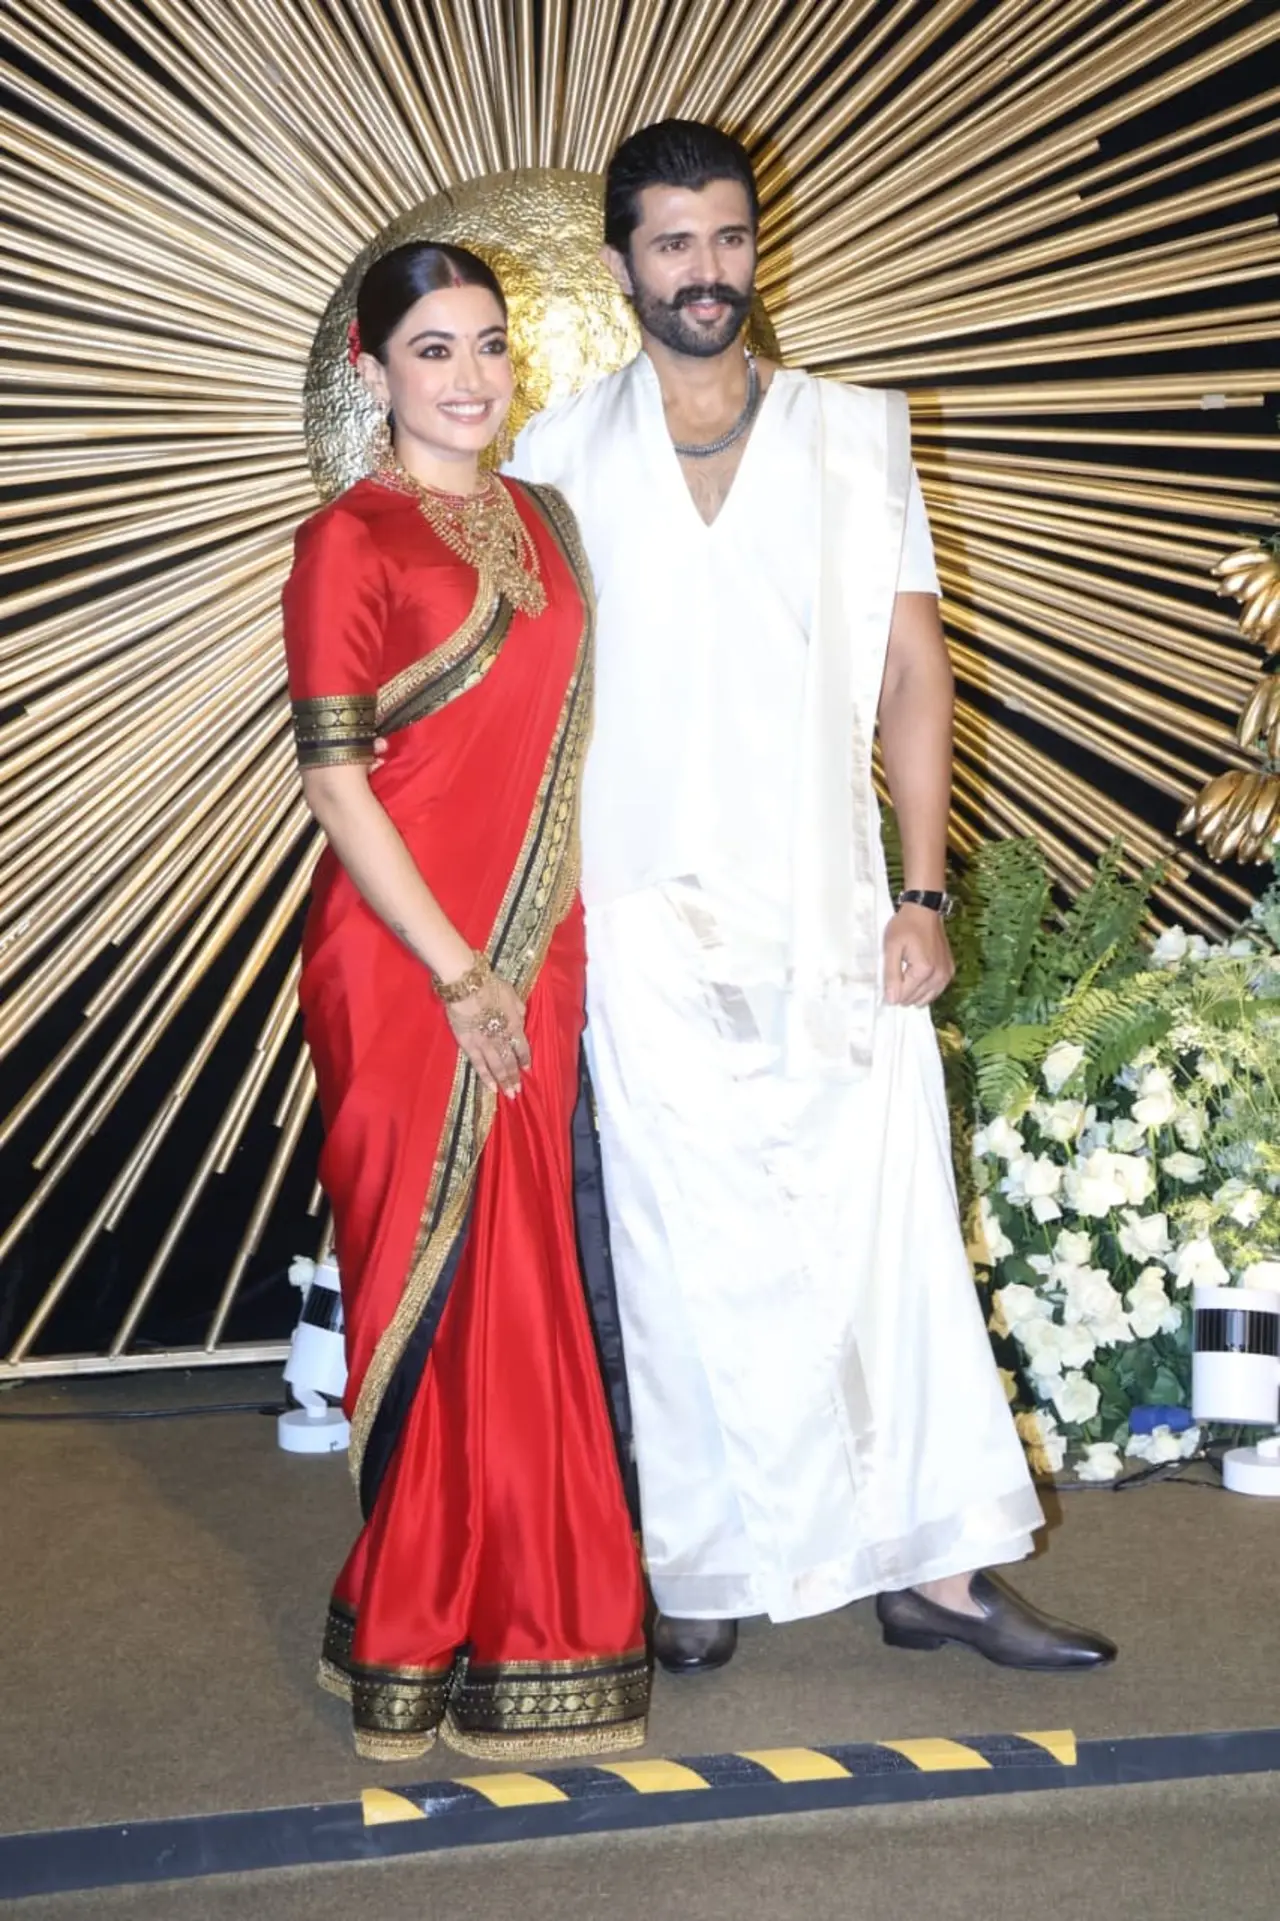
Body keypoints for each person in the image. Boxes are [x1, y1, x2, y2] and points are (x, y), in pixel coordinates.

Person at [508, 122, 1116, 1675]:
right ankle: (701, 1561)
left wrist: (923, 890)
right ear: (622, 263)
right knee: (677, 1247)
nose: (705, 271)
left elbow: (915, 670)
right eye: (674, 244)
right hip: (639, 914)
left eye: (727, 237)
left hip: (836, 900)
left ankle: (939, 1575)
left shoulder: (854, 434)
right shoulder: (553, 460)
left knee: (886, 1238)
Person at [281, 240, 649, 1761]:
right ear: (372, 371)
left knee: (531, 1278)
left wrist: (521, 961)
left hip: (538, 949)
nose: (471, 376)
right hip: (405, 965)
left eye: (489, 343)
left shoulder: (548, 520)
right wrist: (457, 971)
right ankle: (414, 1623)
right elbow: (337, 784)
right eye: (433, 350)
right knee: (430, 1282)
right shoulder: (347, 540)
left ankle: (535, 1624)